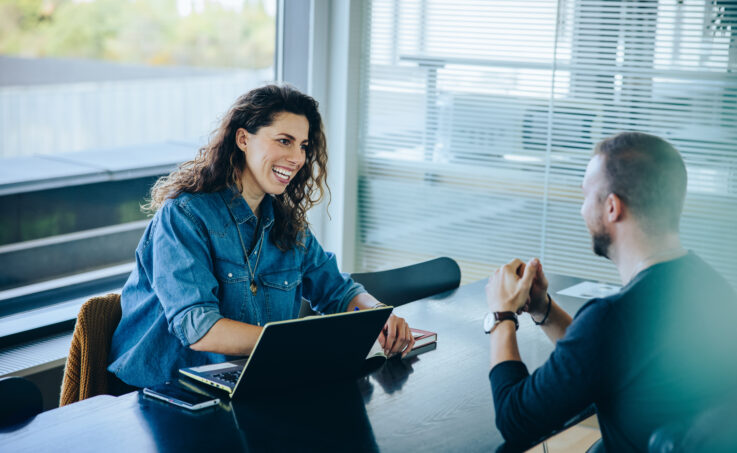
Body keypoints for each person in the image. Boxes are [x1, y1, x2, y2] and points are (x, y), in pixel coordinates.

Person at [108, 84, 414, 389]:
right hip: (160, 391)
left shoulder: (288, 224)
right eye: (284, 141)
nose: (297, 158)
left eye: (304, 146)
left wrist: (377, 316)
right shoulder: (185, 216)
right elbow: (199, 328)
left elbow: (338, 291)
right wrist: (297, 345)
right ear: (243, 139)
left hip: (248, 380)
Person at [483, 132, 737, 452]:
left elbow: (514, 419)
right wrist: (543, 309)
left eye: (586, 196)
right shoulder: (712, 286)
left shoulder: (612, 317)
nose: (581, 210)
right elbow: (605, 358)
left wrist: (500, 315)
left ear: (612, 207)